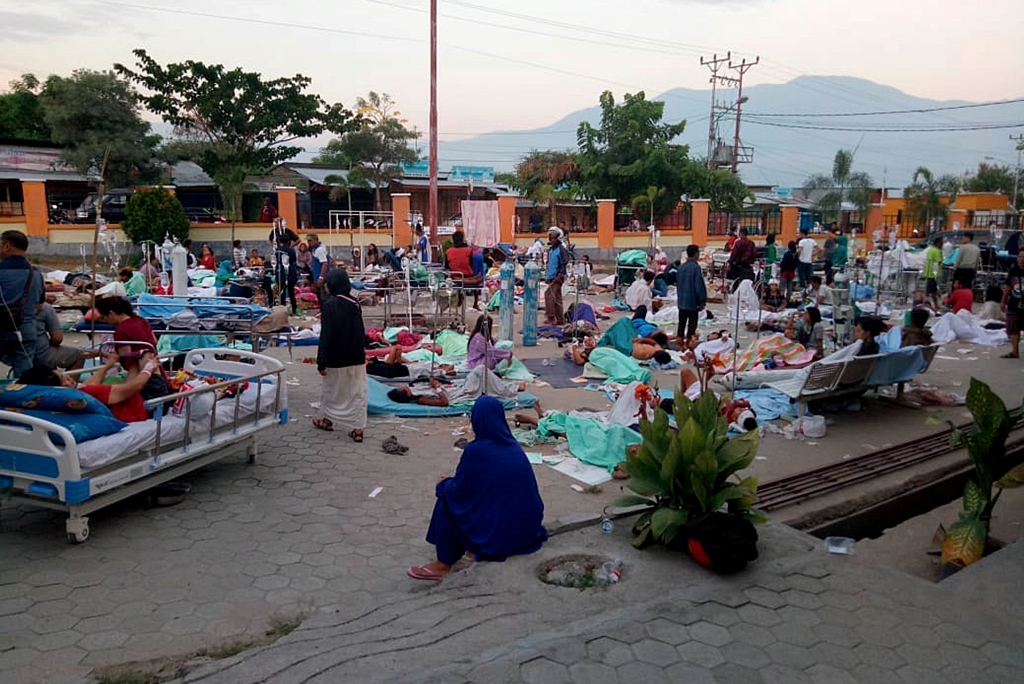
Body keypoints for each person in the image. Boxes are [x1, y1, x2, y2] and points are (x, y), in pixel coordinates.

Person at [407, 395, 547, 581]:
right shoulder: (513, 445)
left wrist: (445, 483)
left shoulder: (476, 450)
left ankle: (443, 564)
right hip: (528, 530)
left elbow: (459, 492)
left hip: (502, 536)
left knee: (445, 498)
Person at [18, 351, 160, 424]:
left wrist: (108, 365)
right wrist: (148, 368)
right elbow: (135, 386)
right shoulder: (83, 395)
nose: (69, 378)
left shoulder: (50, 397)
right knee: (147, 357)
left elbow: (89, 384)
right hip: (145, 406)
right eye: (64, 379)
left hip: (129, 398)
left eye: (65, 375)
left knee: (133, 366)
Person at [313, 269, 368, 441]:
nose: (326, 286)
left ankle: (328, 421)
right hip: (356, 357)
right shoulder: (354, 303)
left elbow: (326, 335)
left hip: (336, 357)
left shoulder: (329, 304)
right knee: (357, 391)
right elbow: (360, 330)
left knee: (332, 391)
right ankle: (358, 429)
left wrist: (321, 361)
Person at [94, 296, 169, 401]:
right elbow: (154, 342)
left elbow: (126, 356)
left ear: (111, 313)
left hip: (139, 373)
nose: (105, 322)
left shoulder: (121, 331)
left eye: (104, 318)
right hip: (155, 368)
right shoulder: (141, 321)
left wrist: (101, 353)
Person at [0, 230, 45, 378]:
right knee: (25, 379)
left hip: (2, 330)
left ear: (6, 246)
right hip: (26, 332)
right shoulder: (36, 273)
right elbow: (39, 307)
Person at [388, 365, 526, 407]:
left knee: (483, 377)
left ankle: (508, 387)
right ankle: (509, 390)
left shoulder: (416, 388)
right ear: (405, 394)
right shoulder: (421, 399)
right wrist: (436, 387)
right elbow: (444, 402)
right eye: (402, 389)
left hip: (455, 387)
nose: (405, 387)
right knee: (480, 370)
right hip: (461, 393)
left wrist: (437, 382)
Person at [35, 300, 87, 370]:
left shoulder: (15, 306)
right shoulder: (44, 307)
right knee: (80, 354)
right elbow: (57, 339)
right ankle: (69, 380)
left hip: (18, 353)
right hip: (40, 354)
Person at [676, 245, 706, 343]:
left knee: (681, 324)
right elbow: (699, 286)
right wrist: (701, 301)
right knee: (692, 325)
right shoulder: (695, 268)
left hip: (681, 301)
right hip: (692, 302)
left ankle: (680, 342)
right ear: (696, 254)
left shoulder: (681, 267)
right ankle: (689, 344)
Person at [1001, 249, 1024, 359]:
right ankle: (1015, 351)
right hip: (1014, 303)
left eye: (1023, 257)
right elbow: (1008, 287)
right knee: (1013, 328)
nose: (1021, 260)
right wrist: (1003, 301)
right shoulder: (1013, 271)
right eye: (1019, 257)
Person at [544, 228, 568, 325]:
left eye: (553, 238)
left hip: (558, 277)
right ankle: (561, 319)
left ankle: (551, 317)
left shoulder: (561, 249)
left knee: (548, 295)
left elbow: (564, 263)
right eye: (550, 238)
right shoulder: (551, 250)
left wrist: (560, 275)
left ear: (558, 239)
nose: (551, 240)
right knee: (557, 298)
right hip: (551, 276)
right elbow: (549, 263)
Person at [274, 237, 298, 314]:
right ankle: (294, 309)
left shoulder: (277, 251)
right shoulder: (291, 250)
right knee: (291, 292)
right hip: (291, 273)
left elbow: (276, 262)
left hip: (280, 273)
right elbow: (294, 260)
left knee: (282, 292)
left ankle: (283, 310)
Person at [923, 236, 943, 311]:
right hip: (934, 274)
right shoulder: (937, 251)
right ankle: (927, 305)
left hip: (928, 272)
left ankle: (935, 305)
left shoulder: (930, 250)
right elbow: (939, 262)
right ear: (938, 243)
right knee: (930, 291)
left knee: (932, 291)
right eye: (941, 243)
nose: (942, 245)